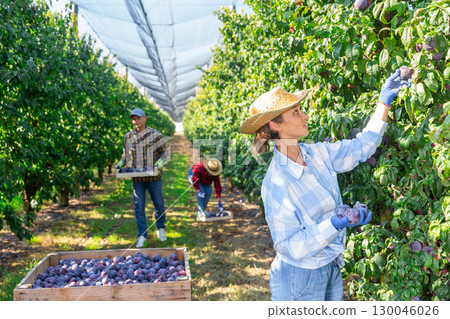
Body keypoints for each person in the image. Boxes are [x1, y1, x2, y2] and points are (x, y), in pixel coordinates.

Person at [239, 69, 410, 301]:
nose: (305, 116)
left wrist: (383, 102)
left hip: (330, 263)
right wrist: (334, 224)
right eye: (296, 112)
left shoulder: (317, 154)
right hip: (300, 276)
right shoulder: (277, 184)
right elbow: (289, 246)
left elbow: (362, 147)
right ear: (276, 125)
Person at [116, 107, 168, 247]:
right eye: (133, 118)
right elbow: (126, 154)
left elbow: (165, 152)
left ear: (145, 118)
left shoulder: (155, 134)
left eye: (138, 118)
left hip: (153, 178)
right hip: (137, 178)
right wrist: (121, 162)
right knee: (139, 207)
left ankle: (160, 228)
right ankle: (142, 235)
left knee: (159, 204)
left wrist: (161, 161)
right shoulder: (128, 137)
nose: (136, 121)